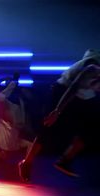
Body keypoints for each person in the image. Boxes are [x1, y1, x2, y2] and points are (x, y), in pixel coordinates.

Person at [18, 49, 100, 182]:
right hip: (64, 89)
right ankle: (26, 162)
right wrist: (57, 111)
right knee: (49, 125)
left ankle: (65, 160)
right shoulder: (92, 69)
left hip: (85, 94)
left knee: (94, 127)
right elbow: (72, 88)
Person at [0, 75, 32, 165]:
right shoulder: (13, 146)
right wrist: (27, 161)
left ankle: (14, 81)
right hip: (16, 116)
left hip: (5, 111)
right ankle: (14, 82)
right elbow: (29, 145)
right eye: (4, 157)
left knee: (0, 97)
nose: (4, 155)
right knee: (7, 98)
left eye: (1, 156)